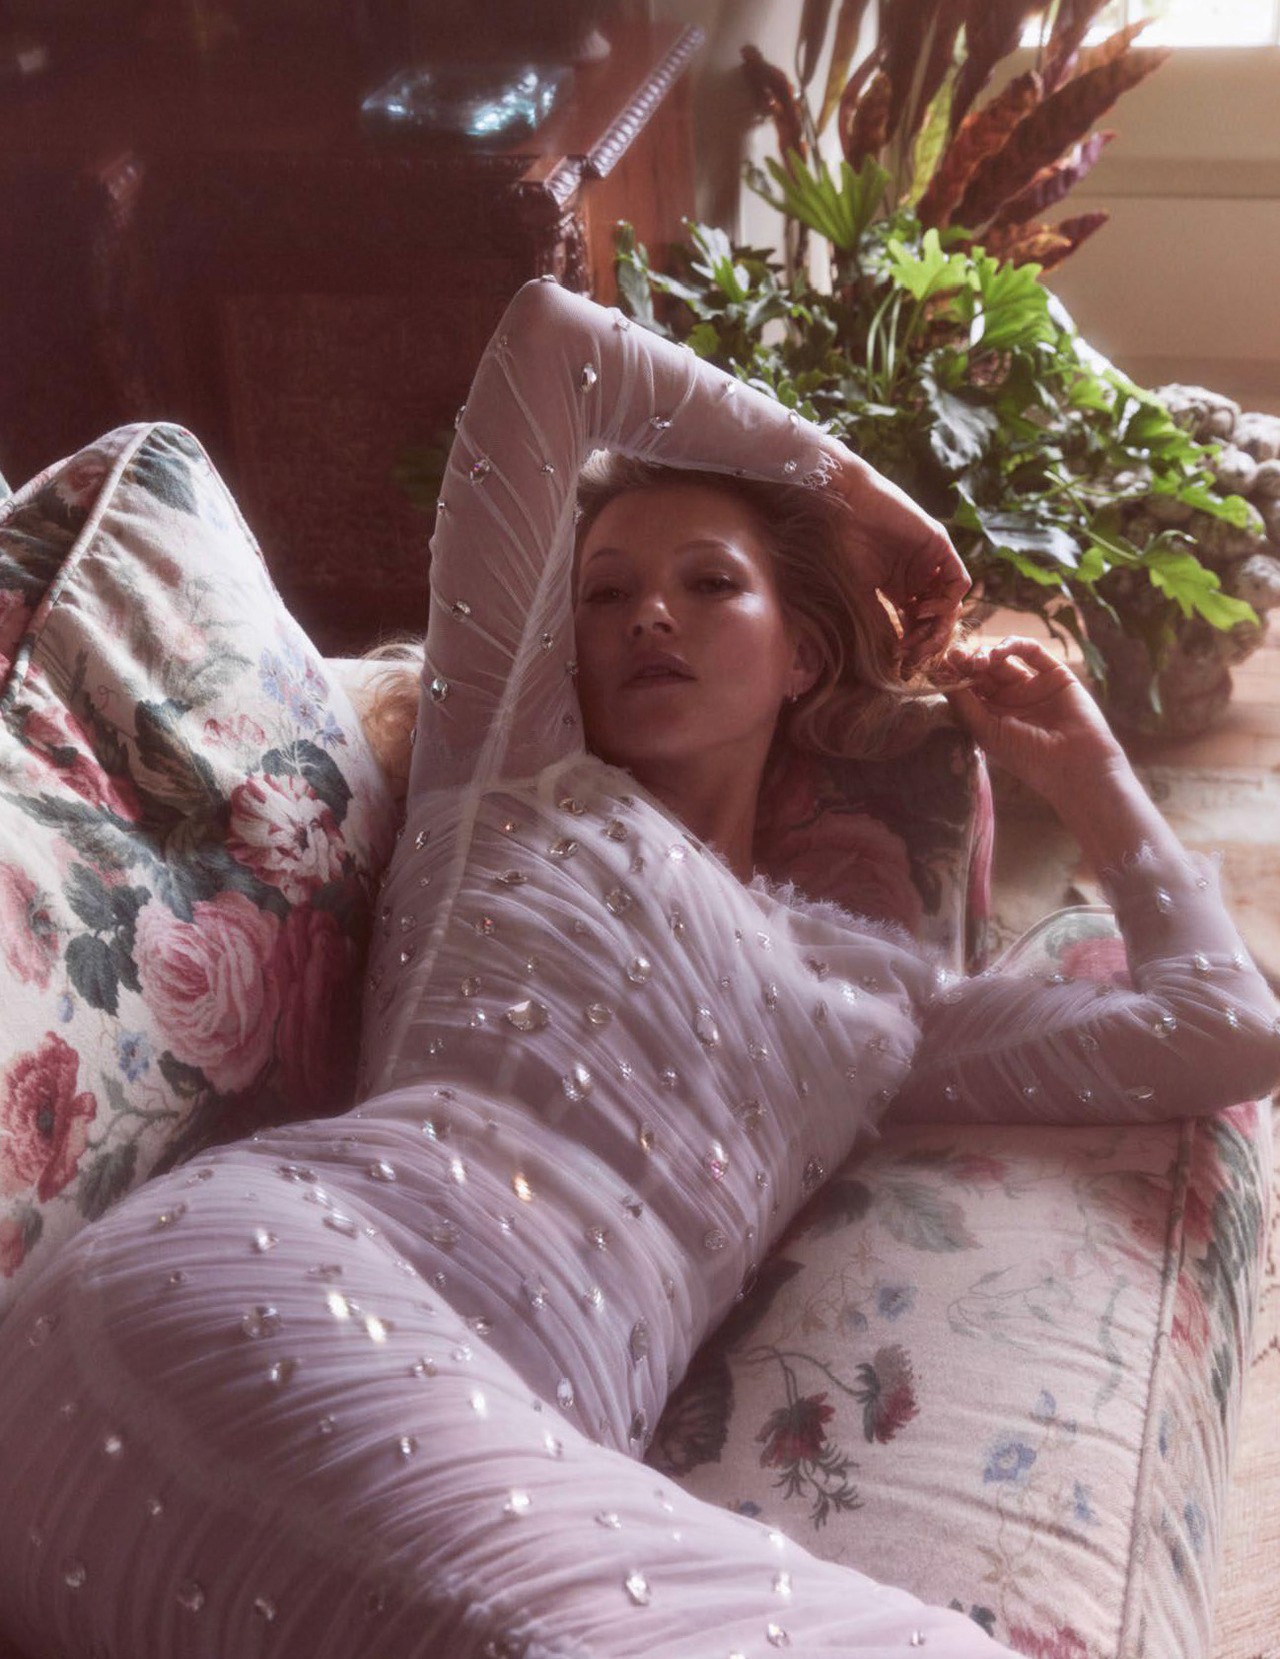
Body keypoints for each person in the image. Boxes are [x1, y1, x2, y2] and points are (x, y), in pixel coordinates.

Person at [0, 277, 1277, 1659]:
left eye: (710, 583)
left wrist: (1087, 770)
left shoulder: (884, 1009)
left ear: (802, 656)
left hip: (489, 1453)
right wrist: (851, 492)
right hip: (261, 1290)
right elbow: (549, 348)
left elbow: (1222, 1032)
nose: (650, 616)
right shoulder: (504, 777)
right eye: (607, 594)